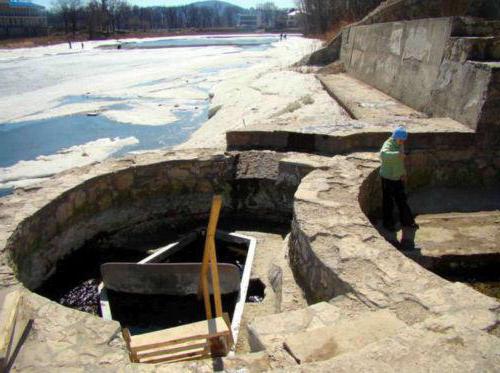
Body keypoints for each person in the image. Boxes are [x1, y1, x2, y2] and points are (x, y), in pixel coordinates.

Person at [379, 126, 418, 232]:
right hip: (387, 178)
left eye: (403, 140)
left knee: (402, 201)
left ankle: (407, 221)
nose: (402, 142)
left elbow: (400, 163)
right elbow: (383, 155)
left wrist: (403, 173)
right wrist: (397, 154)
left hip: (397, 177)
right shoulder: (388, 144)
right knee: (388, 202)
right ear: (396, 137)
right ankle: (388, 224)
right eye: (401, 140)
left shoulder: (399, 144)